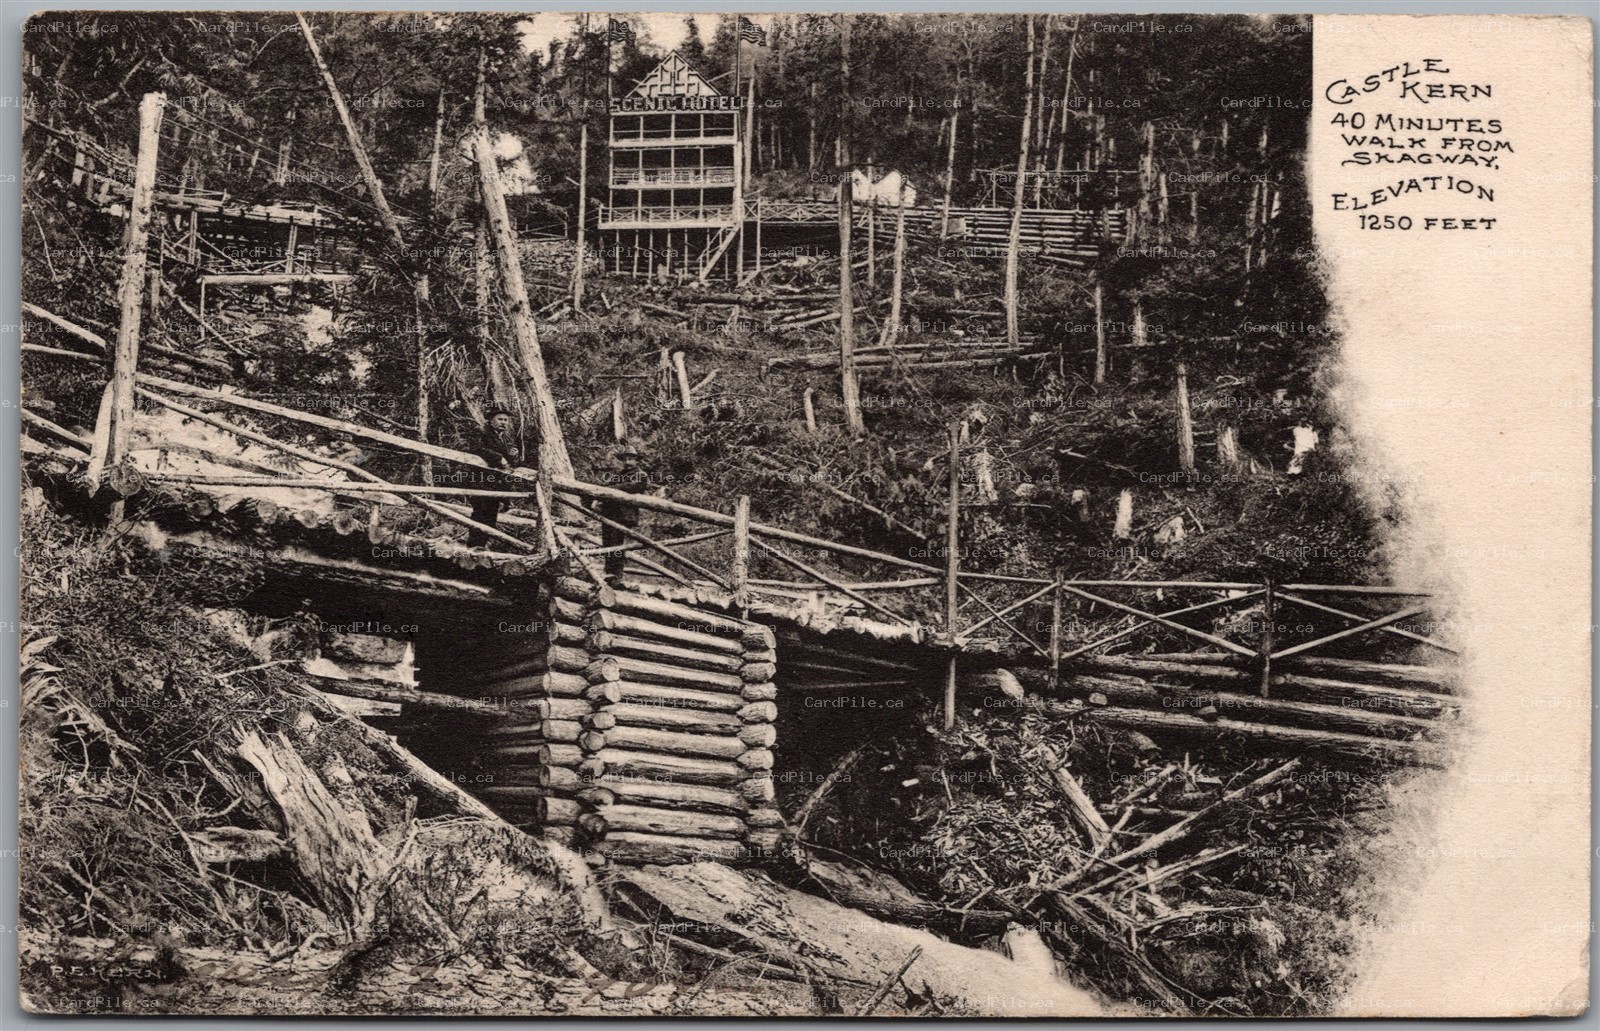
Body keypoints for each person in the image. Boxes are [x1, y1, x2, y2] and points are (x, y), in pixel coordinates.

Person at [466, 406, 522, 548]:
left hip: (496, 484)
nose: (503, 422)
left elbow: (508, 463)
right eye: (500, 419)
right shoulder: (482, 432)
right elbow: (476, 448)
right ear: (491, 421)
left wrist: (513, 455)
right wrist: (499, 458)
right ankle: (473, 547)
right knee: (480, 515)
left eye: (505, 420)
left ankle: (480, 548)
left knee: (491, 517)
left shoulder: (504, 438)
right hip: (481, 482)